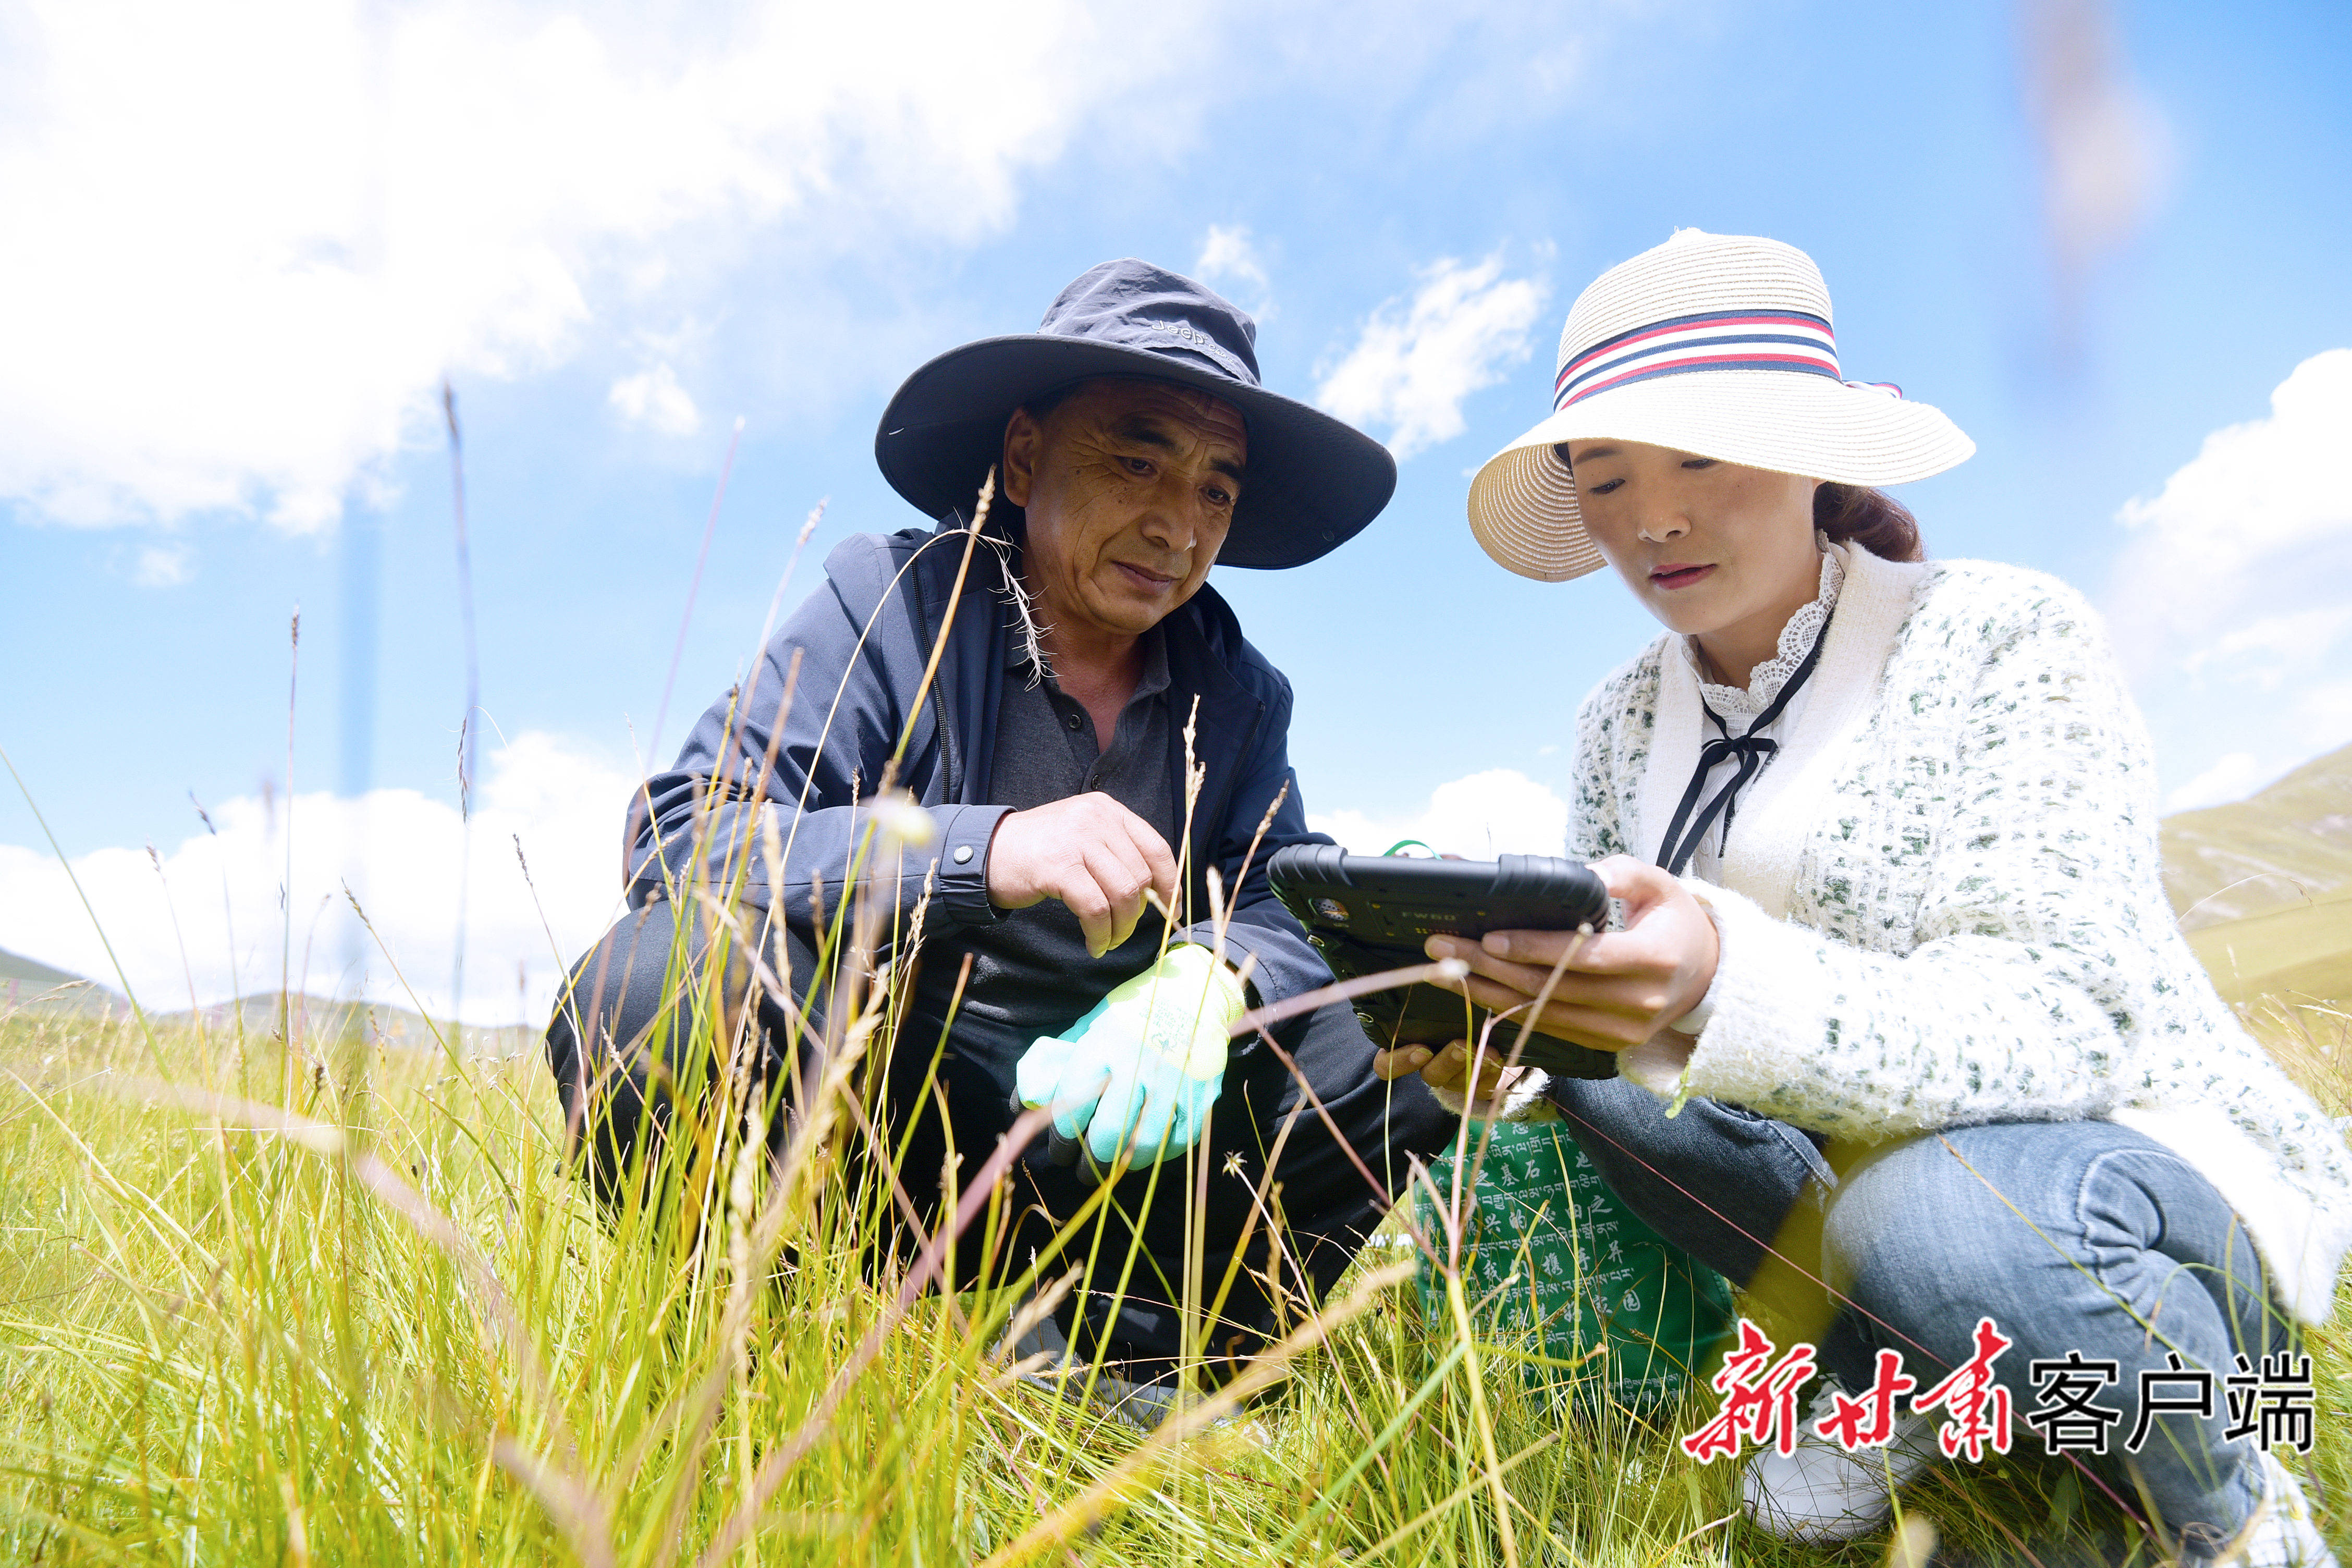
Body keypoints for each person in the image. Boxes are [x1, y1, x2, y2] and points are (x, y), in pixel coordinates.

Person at [1376, 229, 2349, 1563]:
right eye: (1608, 479)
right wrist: (1509, 1038)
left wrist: (1725, 976)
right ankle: (1915, 1384)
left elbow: (2064, 1021)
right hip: (1829, 1212)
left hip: (2111, 1188)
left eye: (1701, 457)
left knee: (1931, 1218)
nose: (1653, 518)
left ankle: (2223, 1498)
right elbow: (1634, 1048)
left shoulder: (2001, 634)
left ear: (1812, 452)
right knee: (1590, 1069)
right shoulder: (1617, 726)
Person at [545, 259, 1451, 1418]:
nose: (1178, 524)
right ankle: (794, 1368)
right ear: (1024, 458)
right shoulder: (894, 601)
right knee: (659, 985)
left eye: (1216, 490)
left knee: (1410, 1027)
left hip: (1114, 1143)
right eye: (1136, 459)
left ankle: (1159, 1370)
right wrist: (983, 848)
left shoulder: (1237, 691)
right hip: (884, 1126)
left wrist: (1211, 975)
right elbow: (688, 833)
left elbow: (1279, 895)